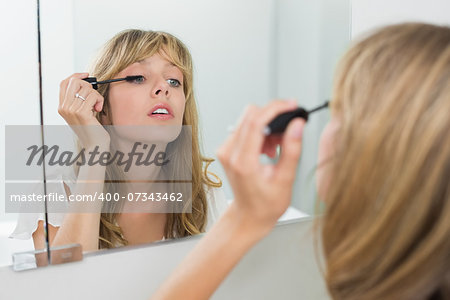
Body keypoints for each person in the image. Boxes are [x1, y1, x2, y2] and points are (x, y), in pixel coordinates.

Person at [152, 23, 450, 300]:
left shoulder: (207, 194)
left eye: (339, 107)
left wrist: (243, 220)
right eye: (137, 77)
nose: (162, 89)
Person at [11, 30, 227, 251]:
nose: (163, 88)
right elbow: (68, 284)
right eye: (138, 78)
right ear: (101, 104)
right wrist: (95, 147)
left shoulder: (205, 198)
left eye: (174, 81)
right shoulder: (54, 194)